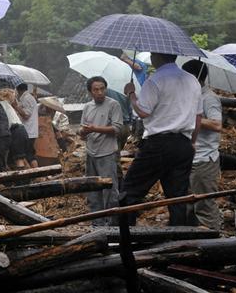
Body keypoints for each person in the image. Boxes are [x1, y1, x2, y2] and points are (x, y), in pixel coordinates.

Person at [122, 52, 203, 226]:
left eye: (152, 54)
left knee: (130, 190)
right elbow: (198, 117)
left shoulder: (155, 80)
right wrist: (193, 142)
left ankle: (124, 236)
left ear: (156, 57)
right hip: (183, 143)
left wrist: (131, 94)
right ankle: (181, 238)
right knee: (178, 196)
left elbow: (143, 112)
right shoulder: (192, 80)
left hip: (158, 144)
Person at [182, 60, 223, 230]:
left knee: (204, 204)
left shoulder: (210, 98)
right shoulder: (193, 96)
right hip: (191, 156)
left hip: (205, 158)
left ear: (195, 77)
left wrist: (194, 116)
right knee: (188, 203)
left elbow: (217, 125)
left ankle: (214, 242)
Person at [80, 77, 123, 225]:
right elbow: (82, 130)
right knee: (93, 190)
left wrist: (94, 129)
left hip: (108, 153)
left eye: (102, 88)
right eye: (96, 90)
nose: (99, 92)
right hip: (91, 152)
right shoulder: (87, 107)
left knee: (110, 191)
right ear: (90, 92)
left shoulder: (113, 105)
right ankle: (97, 225)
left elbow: (117, 129)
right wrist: (84, 132)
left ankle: (112, 226)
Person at [0, 95, 31, 169]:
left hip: (16, 132)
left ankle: (23, 179)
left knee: (19, 159)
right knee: (19, 159)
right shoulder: (6, 104)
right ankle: (32, 177)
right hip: (22, 130)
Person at [12, 83, 39, 168]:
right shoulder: (26, 98)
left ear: (18, 89)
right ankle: (35, 173)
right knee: (28, 154)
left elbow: (26, 115)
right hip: (29, 131)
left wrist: (16, 107)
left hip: (29, 131)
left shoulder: (27, 98)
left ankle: (37, 173)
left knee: (29, 155)